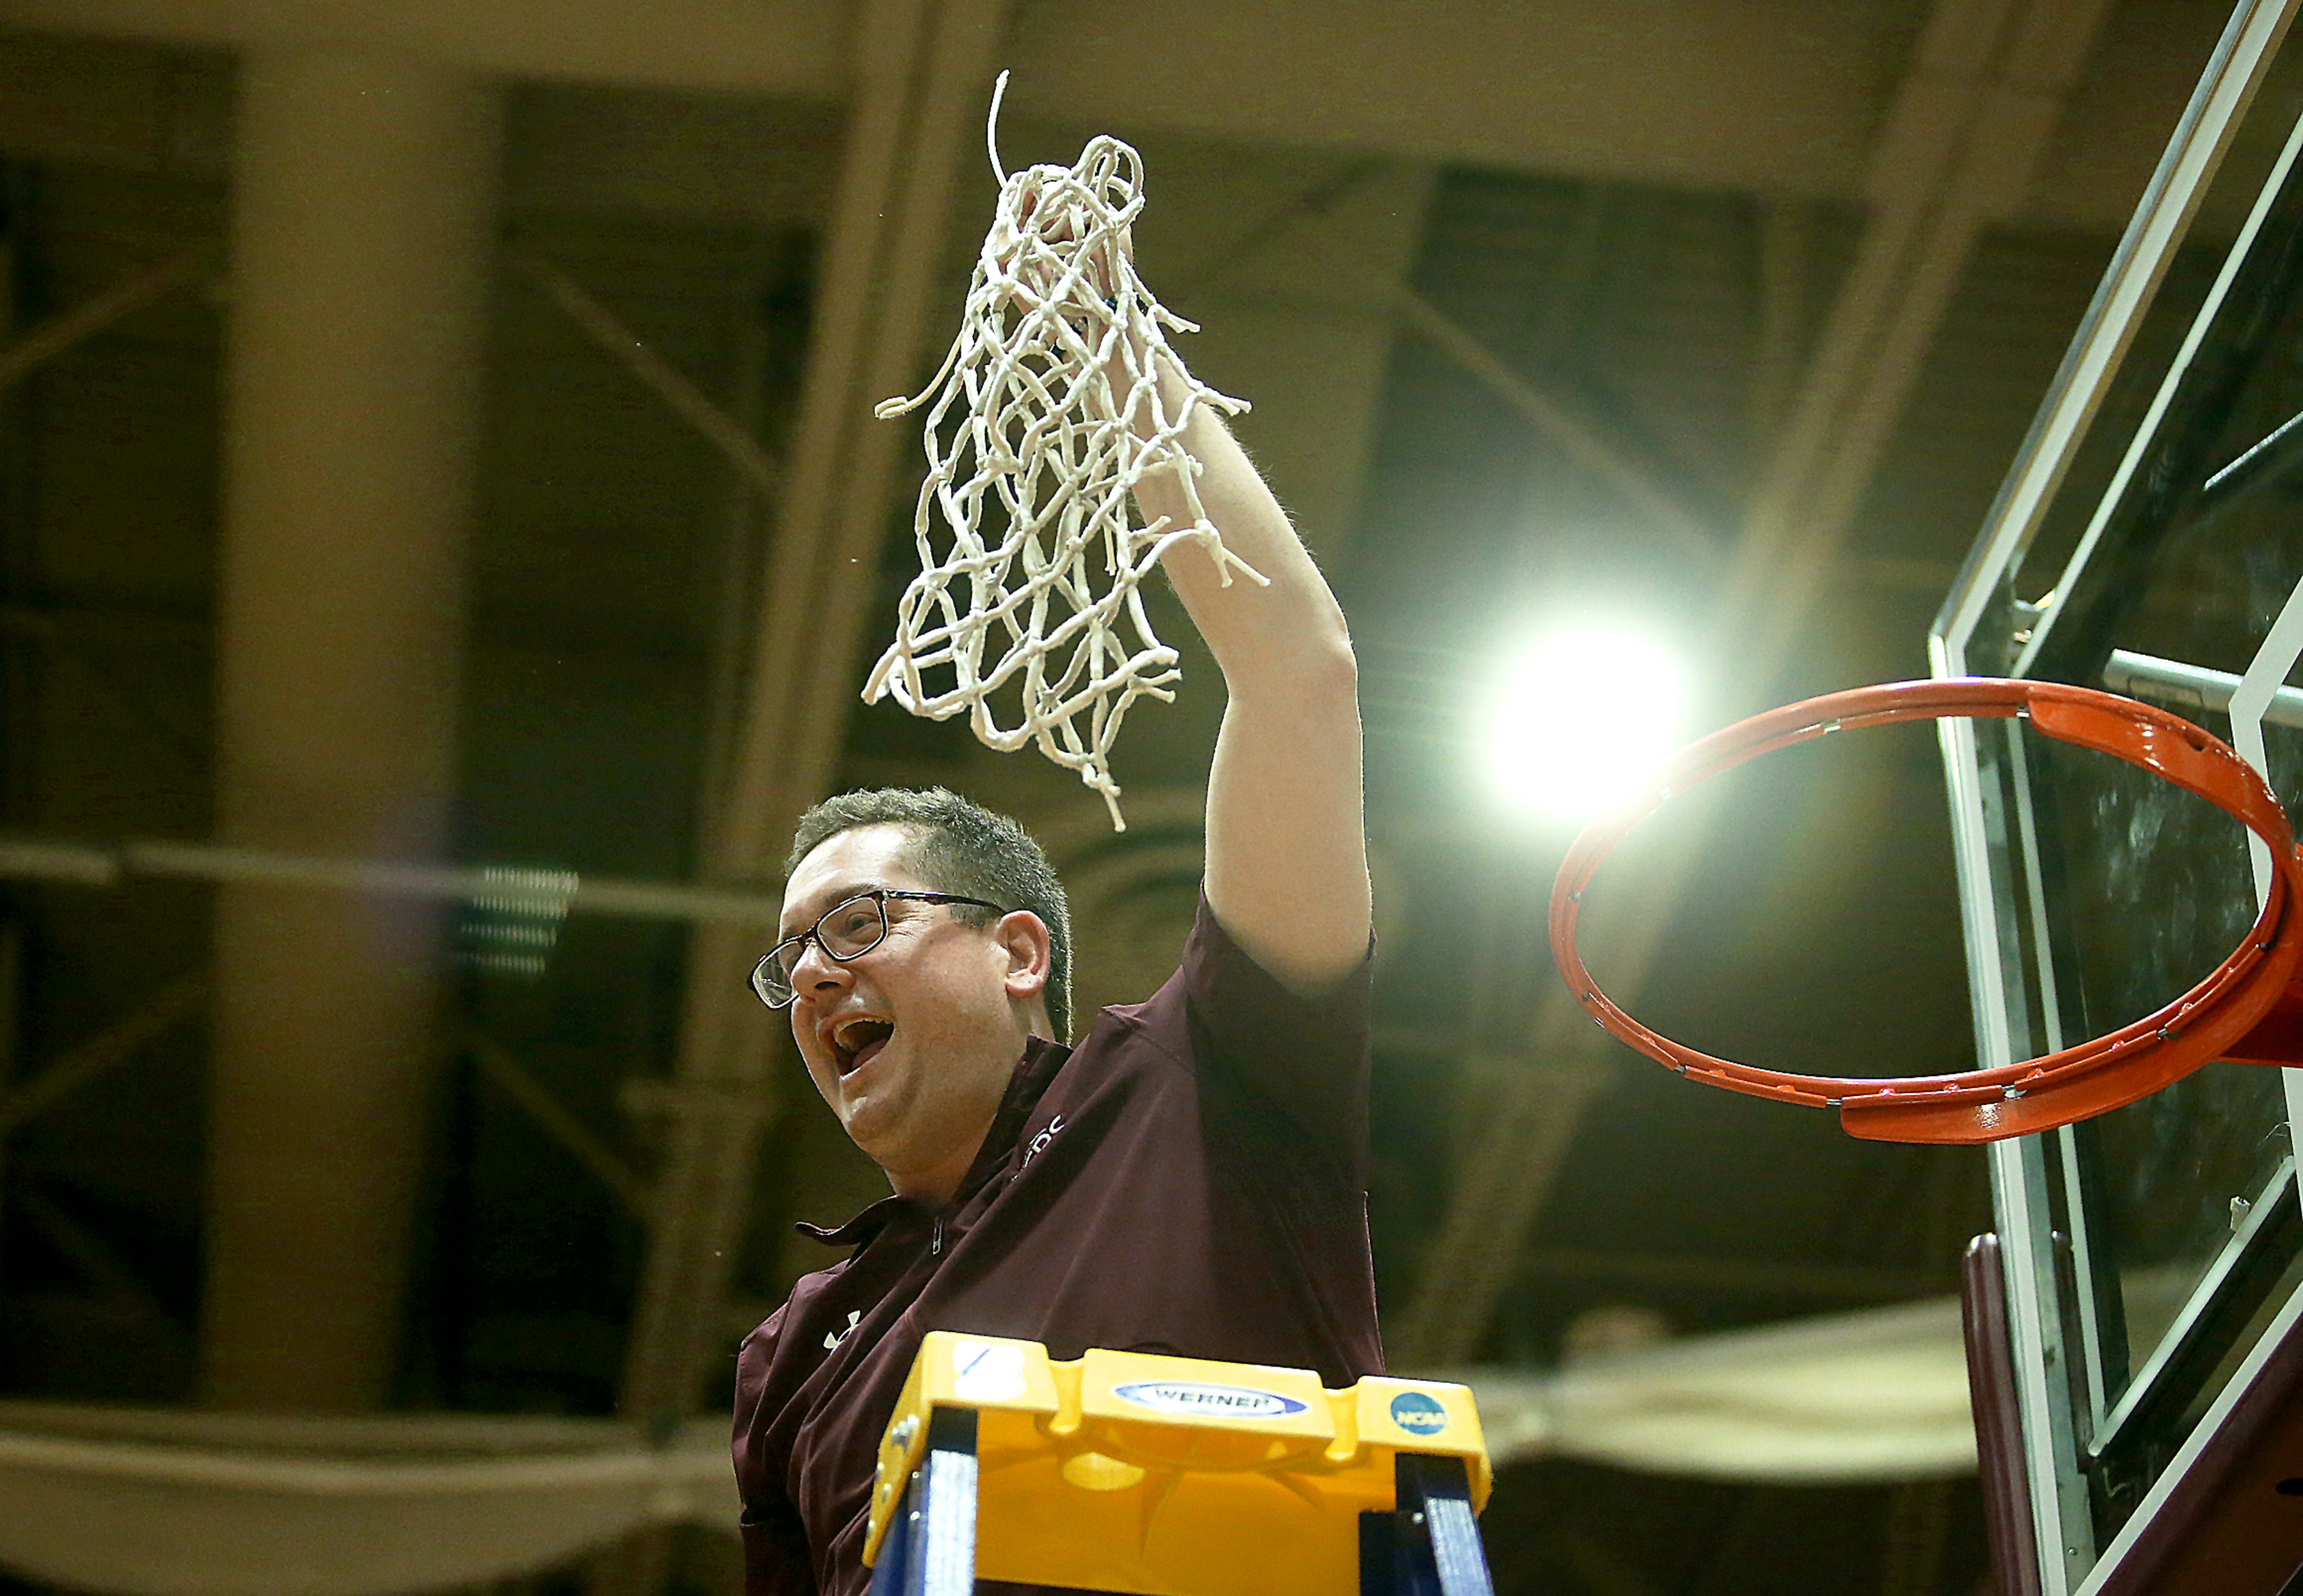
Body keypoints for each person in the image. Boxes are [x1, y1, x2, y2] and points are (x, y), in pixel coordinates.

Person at [730, 244, 1374, 1596]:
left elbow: (1301, 673)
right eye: (789, 959)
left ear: (1019, 949)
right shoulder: (797, 1349)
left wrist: (1114, 354)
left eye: (855, 922)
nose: (810, 978)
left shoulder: (1210, 1081)